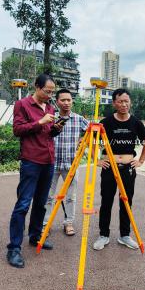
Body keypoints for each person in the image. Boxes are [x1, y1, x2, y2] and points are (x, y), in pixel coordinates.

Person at [7, 74, 62, 268]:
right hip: (31, 161)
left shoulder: (49, 107)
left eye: (52, 92)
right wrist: (40, 122)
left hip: (48, 160)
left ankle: (35, 237)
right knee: (23, 204)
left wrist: (56, 127)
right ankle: (14, 248)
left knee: (41, 203)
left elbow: (48, 133)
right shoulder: (22, 104)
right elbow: (17, 130)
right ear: (36, 87)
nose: (50, 95)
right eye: (47, 91)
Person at [93, 88, 145, 251]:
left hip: (128, 168)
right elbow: (91, 142)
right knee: (106, 201)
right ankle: (103, 235)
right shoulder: (106, 122)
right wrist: (96, 160)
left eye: (126, 101)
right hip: (109, 167)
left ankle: (124, 235)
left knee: (126, 201)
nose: (124, 104)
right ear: (114, 103)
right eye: (120, 101)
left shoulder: (136, 123)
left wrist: (140, 161)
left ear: (130, 102)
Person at [43, 89, 89, 235]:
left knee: (71, 197)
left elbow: (94, 132)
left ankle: (68, 223)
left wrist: (84, 140)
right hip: (51, 163)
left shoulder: (78, 119)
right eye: (63, 100)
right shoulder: (51, 118)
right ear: (57, 101)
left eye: (69, 100)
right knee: (48, 196)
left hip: (71, 164)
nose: (66, 103)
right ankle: (45, 224)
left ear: (72, 101)